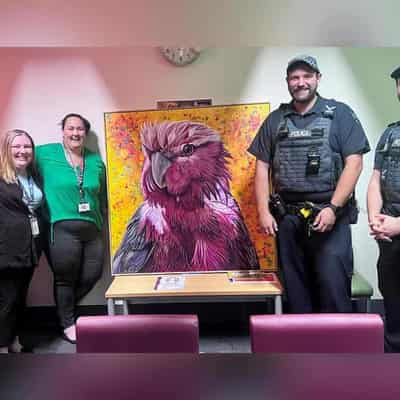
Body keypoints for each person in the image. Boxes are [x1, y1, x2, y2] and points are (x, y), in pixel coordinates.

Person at [248, 55, 370, 313]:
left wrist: (334, 208)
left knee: (332, 287)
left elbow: (354, 163)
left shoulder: (340, 114)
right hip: (289, 219)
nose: (300, 82)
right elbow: (261, 167)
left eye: (306, 76)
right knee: (296, 292)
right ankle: (302, 350)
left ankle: (339, 351)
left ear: (317, 79)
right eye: (295, 77)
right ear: (288, 82)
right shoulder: (276, 120)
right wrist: (263, 211)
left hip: (329, 217)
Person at [36, 113, 107, 343]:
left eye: (79, 129)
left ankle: (62, 310)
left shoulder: (95, 160)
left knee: (93, 273)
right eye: (70, 128)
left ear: (85, 133)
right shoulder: (45, 153)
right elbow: (16, 156)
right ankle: (67, 322)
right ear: (63, 131)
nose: (75, 133)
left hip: (92, 227)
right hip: (61, 227)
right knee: (65, 278)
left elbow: (102, 194)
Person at [0, 129, 43, 353]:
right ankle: (2, 347)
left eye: (27, 147)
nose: (22, 151)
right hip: (6, 250)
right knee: (6, 300)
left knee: (19, 297)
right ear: (6, 149)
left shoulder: (31, 175)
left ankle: (13, 338)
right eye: (17, 146)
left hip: (29, 248)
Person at [367, 65, 400, 352]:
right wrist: (375, 218)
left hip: (396, 228)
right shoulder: (390, 135)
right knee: (393, 307)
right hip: (389, 238)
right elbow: (375, 181)